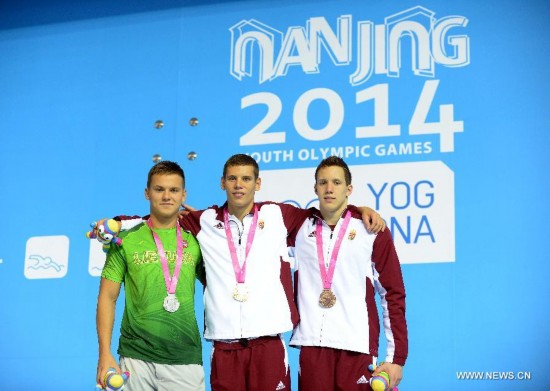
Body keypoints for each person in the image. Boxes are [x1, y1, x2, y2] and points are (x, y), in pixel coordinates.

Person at [97, 154, 385, 391]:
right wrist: (116, 223)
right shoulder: (205, 221)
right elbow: (159, 217)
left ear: (257, 183)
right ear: (222, 183)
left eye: (246, 178)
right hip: (224, 347)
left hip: (269, 345)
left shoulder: (278, 216)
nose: (239, 185)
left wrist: (361, 210)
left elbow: (326, 213)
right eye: (232, 178)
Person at [288, 156, 408, 390]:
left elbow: (392, 294)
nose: (329, 189)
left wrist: (396, 358)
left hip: (357, 347)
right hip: (313, 346)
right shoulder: (299, 226)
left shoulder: (372, 230)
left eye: (337, 182)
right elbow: (252, 216)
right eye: (323, 183)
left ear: (349, 189)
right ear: (315, 188)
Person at [96, 161, 206, 391]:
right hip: (135, 358)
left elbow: (218, 285)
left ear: (183, 194)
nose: (167, 196)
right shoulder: (126, 239)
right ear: (147, 193)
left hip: (184, 359)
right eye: (159, 189)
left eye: (174, 190)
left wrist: (204, 221)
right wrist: (104, 354)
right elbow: (107, 298)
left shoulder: (198, 239)